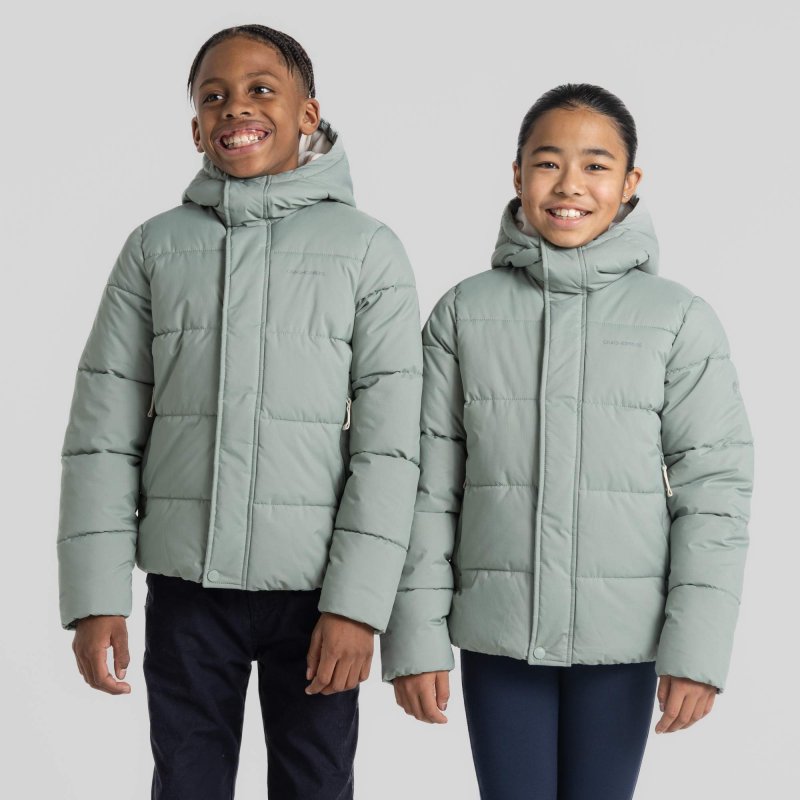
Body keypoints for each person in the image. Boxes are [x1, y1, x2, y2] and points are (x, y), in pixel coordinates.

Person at [57, 24, 422, 800]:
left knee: (316, 785)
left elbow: (391, 449)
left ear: (307, 114)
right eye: (213, 96)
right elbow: (102, 434)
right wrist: (95, 597)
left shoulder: (368, 251)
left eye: (261, 89)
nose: (236, 108)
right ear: (196, 127)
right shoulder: (155, 249)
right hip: (187, 593)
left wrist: (359, 607)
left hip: (318, 595)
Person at [380, 83, 754, 799]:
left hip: (624, 641)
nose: (570, 185)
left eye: (596, 165)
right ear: (517, 174)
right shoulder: (463, 314)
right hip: (498, 635)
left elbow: (715, 494)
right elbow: (424, 488)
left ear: (630, 182)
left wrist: (697, 648)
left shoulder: (678, 321)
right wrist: (415, 636)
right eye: (548, 163)